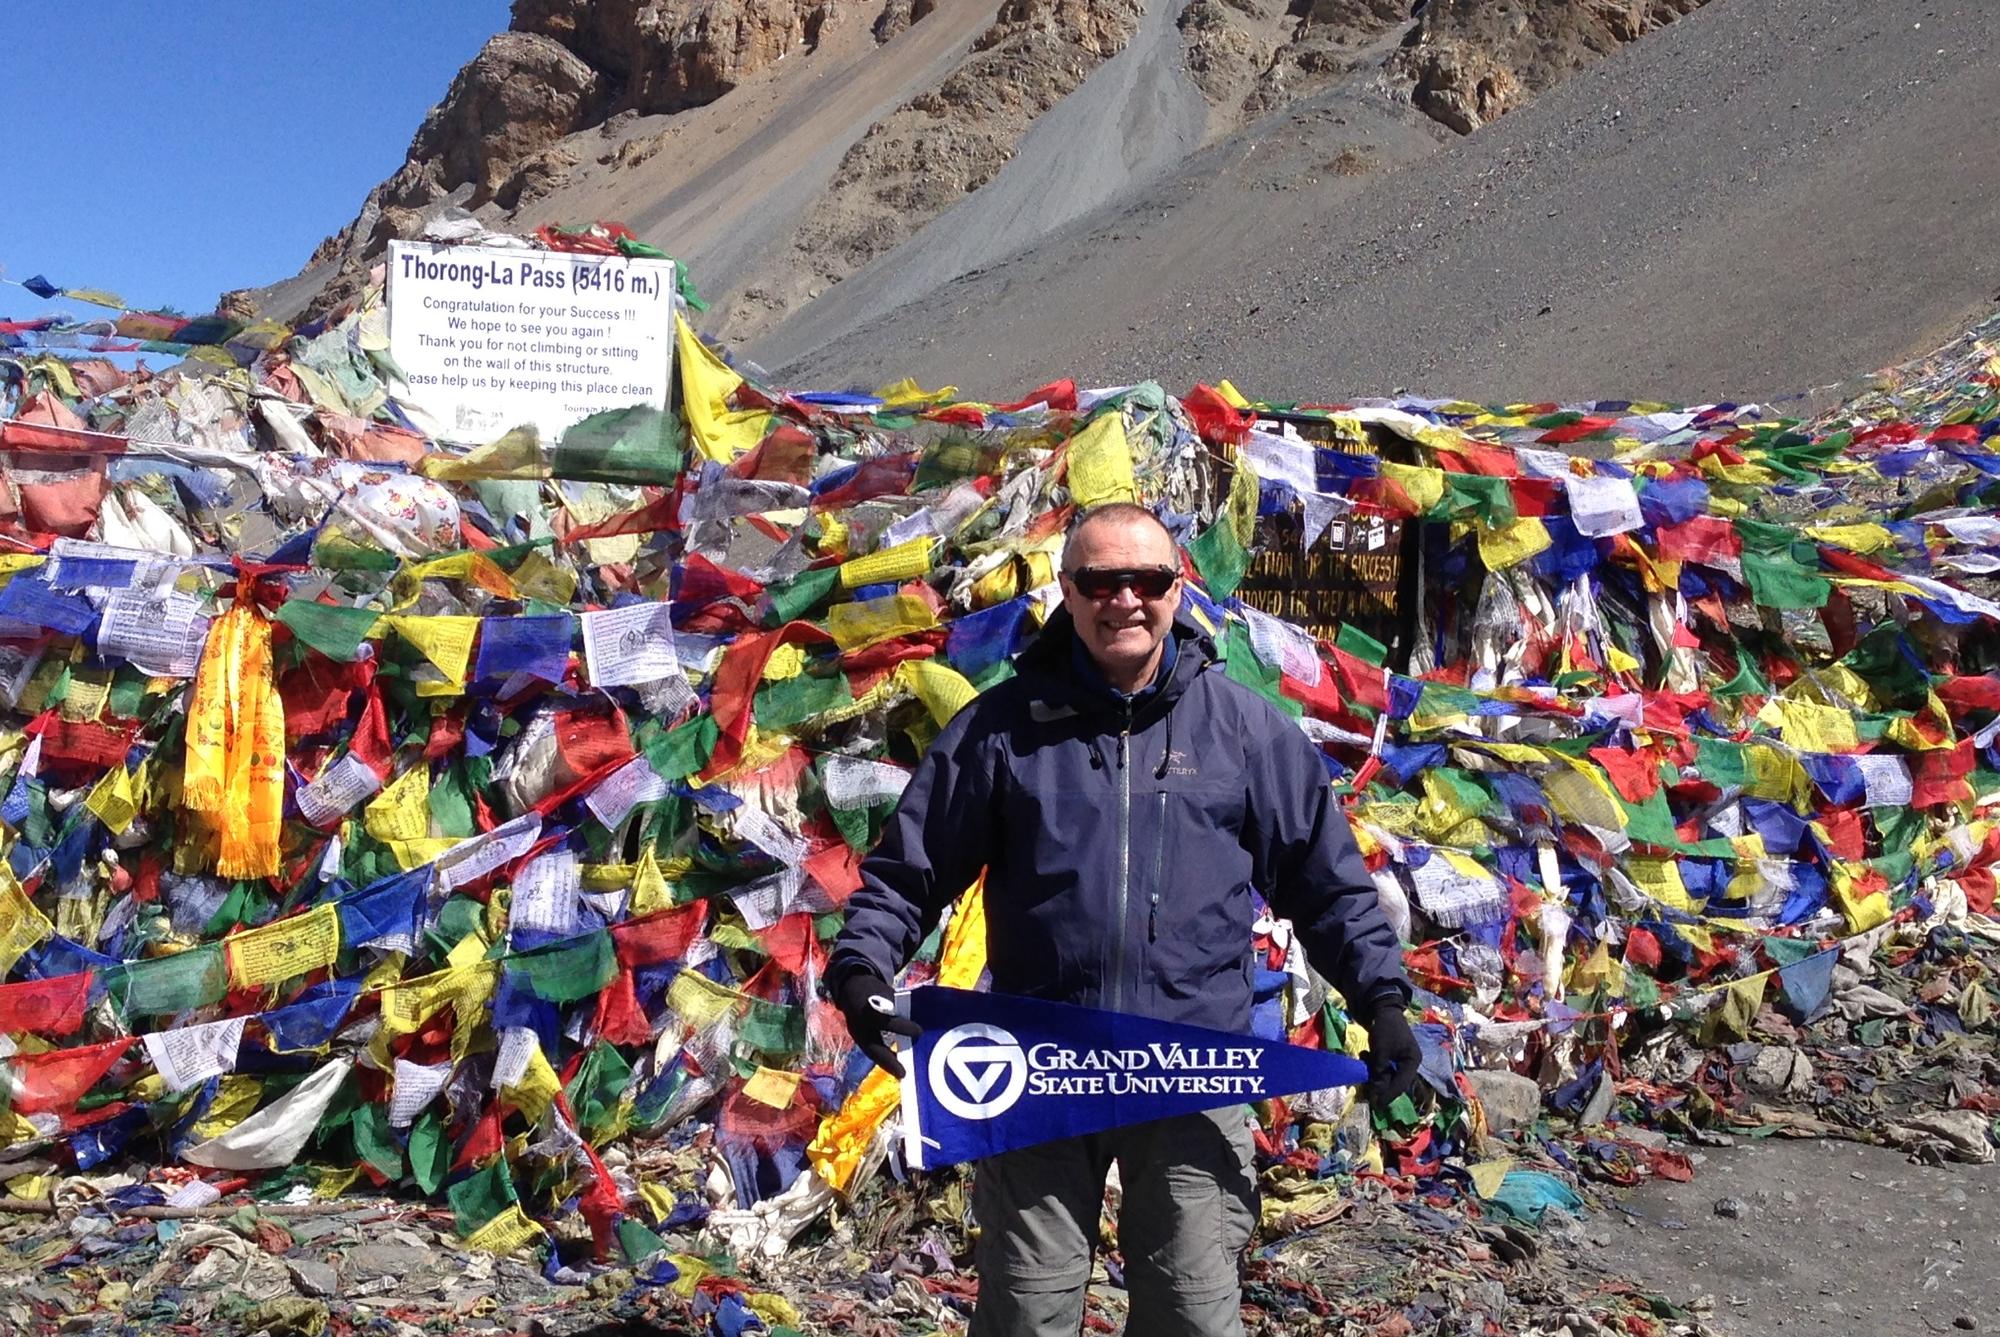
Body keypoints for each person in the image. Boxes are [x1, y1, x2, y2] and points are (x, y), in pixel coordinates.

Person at [826, 502, 1419, 1337]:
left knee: (1193, 1315)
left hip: (1190, 1066)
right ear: (1068, 591)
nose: (1125, 600)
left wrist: (1381, 1000)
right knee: (1026, 1315)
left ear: (1178, 590)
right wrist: (860, 969)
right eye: (1102, 581)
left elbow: (1327, 886)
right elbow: (908, 872)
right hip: (1040, 1066)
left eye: (1147, 579)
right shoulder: (1000, 731)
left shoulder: (1244, 731)